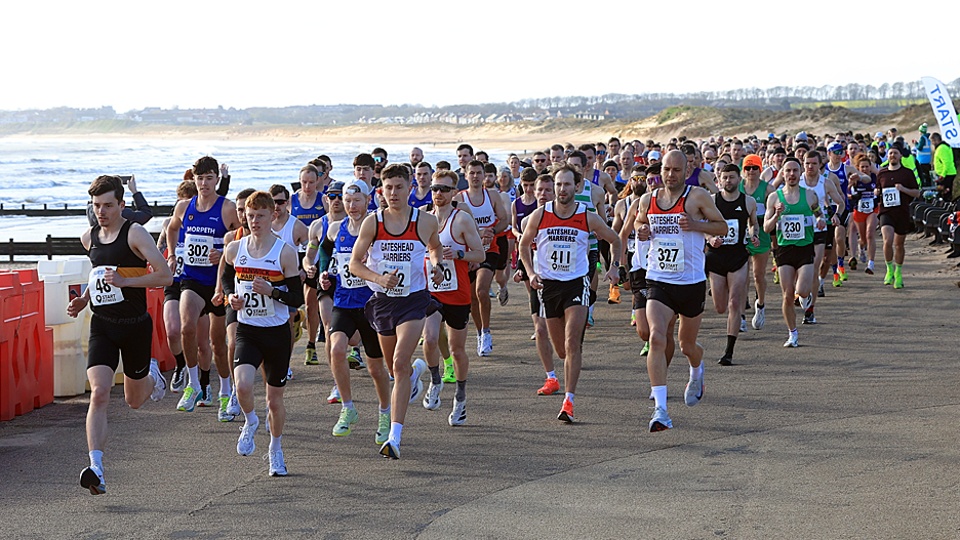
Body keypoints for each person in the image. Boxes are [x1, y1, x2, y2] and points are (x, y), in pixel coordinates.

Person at [70, 175, 173, 495]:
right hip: (102, 325)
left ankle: (153, 376)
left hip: (134, 326)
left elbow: (165, 275)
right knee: (99, 392)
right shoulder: (90, 237)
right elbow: (98, 274)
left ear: (121, 205)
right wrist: (84, 299)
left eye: (108, 206)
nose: (101, 211)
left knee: (135, 400)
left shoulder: (135, 233)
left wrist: (126, 283)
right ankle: (96, 467)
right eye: (96, 206)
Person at [348, 163, 445, 459]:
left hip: (414, 300)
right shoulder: (373, 223)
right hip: (382, 301)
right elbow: (354, 263)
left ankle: (395, 437)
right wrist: (378, 278)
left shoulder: (425, 221)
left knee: (400, 362)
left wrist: (437, 266)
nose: (393, 193)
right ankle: (416, 374)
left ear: (409, 188)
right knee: (395, 369)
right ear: (381, 191)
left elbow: (435, 247)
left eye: (399, 187)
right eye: (388, 188)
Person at [519, 163, 621, 423]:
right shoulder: (540, 215)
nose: (562, 189)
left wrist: (615, 268)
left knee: (572, 343)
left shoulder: (586, 216)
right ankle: (565, 377)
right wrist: (531, 273)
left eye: (566, 184)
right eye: (558, 184)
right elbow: (522, 245)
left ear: (577, 186)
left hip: (576, 283)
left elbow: (615, 239)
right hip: (549, 286)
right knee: (562, 351)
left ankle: (569, 401)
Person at [634, 150, 728, 432]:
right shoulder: (647, 199)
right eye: (666, 169)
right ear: (660, 170)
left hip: (690, 282)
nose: (671, 174)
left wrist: (696, 225)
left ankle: (697, 371)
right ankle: (660, 409)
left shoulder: (697, 196)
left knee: (687, 345)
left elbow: (722, 226)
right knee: (657, 337)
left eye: (677, 170)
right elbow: (640, 221)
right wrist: (642, 230)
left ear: (686, 171)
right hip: (658, 279)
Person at [221, 191, 303, 476]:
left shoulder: (284, 252)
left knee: (274, 400)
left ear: (273, 216)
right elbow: (226, 278)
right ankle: (250, 420)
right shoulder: (236, 248)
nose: (254, 221)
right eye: (250, 215)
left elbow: (297, 298)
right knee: (243, 385)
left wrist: (273, 291)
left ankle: (275, 449)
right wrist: (231, 297)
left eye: (261, 216)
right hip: (248, 330)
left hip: (277, 333)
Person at [312, 180, 393, 441]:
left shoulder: (376, 227)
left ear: (367, 200)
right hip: (343, 301)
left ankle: (384, 413)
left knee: (375, 368)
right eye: (347, 201)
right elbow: (326, 249)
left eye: (356, 200)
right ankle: (347, 408)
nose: (351, 206)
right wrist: (326, 274)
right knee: (336, 349)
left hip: (371, 304)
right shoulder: (336, 229)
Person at [165, 156, 240, 413]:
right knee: (186, 328)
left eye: (209, 178)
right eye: (200, 178)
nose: (204, 183)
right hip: (192, 279)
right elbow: (171, 229)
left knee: (219, 345)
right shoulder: (184, 207)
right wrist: (173, 254)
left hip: (218, 284)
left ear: (217, 180)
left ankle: (226, 390)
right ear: (193, 180)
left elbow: (245, 237)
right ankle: (194, 384)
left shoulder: (227, 208)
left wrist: (225, 253)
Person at [422, 170, 485, 425]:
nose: (439, 193)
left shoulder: (462, 220)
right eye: (435, 188)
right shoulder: (423, 218)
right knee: (430, 338)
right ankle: (435, 380)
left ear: (454, 193)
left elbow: (480, 254)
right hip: (430, 291)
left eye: (445, 189)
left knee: (458, 350)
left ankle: (460, 397)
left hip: (457, 293)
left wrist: (457, 255)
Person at [763, 157, 825, 348]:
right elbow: (766, 227)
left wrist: (821, 220)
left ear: (800, 174)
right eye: (787, 171)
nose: (791, 174)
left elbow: (818, 213)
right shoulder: (774, 197)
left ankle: (805, 297)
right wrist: (776, 215)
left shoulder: (810, 195)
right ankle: (792, 333)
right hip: (784, 250)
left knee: (803, 290)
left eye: (795, 171)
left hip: (805, 247)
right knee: (787, 295)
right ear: (782, 173)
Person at [454, 159, 509, 357]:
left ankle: (486, 331)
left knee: (481, 290)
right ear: (466, 175)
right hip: (467, 254)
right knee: (471, 299)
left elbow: (504, 220)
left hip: (488, 250)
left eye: (479, 173)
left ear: (484, 175)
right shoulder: (459, 198)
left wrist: (492, 230)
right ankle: (479, 332)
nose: (476, 177)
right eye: (472, 173)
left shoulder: (492, 195)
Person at [706, 165, 759, 366]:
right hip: (716, 256)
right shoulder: (712, 200)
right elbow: (703, 225)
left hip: (738, 257)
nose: (728, 181)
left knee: (735, 303)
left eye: (732, 177)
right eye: (724, 177)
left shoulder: (748, 201)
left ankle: (729, 351)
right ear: (719, 179)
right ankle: (717, 291)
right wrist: (710, 238)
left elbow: (753, 223)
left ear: (739, 179)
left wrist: (753, 234)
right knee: (720, 307)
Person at [514, 173, 561, 394]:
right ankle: (551, 377)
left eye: (547, 191)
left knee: (564, 339)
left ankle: (570, 362)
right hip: (540, 281)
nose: (541, 194)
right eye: (539, 190)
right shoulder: (528, 220)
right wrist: (524, 271)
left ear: (556, 192)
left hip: (566, 282)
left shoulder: (568, 216)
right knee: (540, 330)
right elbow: (525, 249)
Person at [156, 180, 198, 393]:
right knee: (173, 331)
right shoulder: (168, 224)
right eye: (179, 203)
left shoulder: (201, 223)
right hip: (174, 281)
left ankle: (200, 377)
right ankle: (180, 364)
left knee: (195, 334)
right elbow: (158, 248)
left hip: (198, 281)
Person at [269, 183, 310, 379]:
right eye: (273, 202)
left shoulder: (297, 226)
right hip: (267, 282)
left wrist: (303, 270)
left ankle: (285, 363)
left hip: (289, 281)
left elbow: (312, 249)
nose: (276, 206)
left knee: (287, 323)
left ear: (288, 202)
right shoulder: (263, 223)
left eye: (280, 202)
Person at [290, 164, 326, 367]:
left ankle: (311, 345)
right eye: (304, 182)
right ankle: (297, 318)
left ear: (318, 181)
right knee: (299, 301)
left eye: (311, 182)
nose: (308, 186)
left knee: (312, 302)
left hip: (317, 255)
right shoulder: (292, 200)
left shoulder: (322, 200)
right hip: (296, 256)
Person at [877, 146, 921, 288]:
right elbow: (878, 190)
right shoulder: (882, 173)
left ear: (900, 156)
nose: (892, 156)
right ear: (887, 156)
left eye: (895, 153)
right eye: (890, 153)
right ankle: (889, 270)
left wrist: (903, 189)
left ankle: (898, 272)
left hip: (902, 212)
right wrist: (876, 191)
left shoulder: (907, 173)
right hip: (886, 212)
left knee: (899, 244)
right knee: (887, 240)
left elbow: (917, 193)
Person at [739, 154, 775, 330]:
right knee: (742, 276)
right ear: (743, 170)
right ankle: (741, 316)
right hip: (741, 235)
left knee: (758, 275)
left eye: (755, 168)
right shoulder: (737, 188)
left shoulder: (767, 189)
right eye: (748, 168)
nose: (751, 171)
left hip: (761, 234)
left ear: (760, 170)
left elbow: (776, 207)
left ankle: (760, 305)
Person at [849, 155, 879, 274]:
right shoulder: (855, 179)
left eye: (867, 166)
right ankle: (861, 248)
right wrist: (852, 196)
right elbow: (846, 193)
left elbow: (879, 190)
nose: (865, 169)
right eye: (862, 167)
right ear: (858, 168)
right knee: (863, 238)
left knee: (870, 233)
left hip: (873, 209)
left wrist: (878, 193)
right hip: (859, 210)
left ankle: (871, 263)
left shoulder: (874, 178)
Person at [85, 174, 153, 227]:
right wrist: (134, 191)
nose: (101, 211)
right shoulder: (121, 213)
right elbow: (146, 214)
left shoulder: (90, 208)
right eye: (97, 205)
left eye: (108, 205)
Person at [933, 132, 956, 202]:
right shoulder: (944, 147)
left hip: (946, 174)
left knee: (944, 194)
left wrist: (942, 175)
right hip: (947, 173)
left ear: (936, 140)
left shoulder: (941, 148)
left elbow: (946, 162)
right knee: (945, 193)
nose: (933, 144)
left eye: (933, 141)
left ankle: (947, 209)